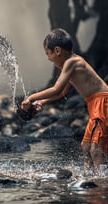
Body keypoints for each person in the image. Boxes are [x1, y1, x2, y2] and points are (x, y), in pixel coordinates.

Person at [21, 28, 108, 171]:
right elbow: (61, 94)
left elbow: (56, 89)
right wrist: (41, 102)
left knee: (95, 148)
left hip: (102, 103)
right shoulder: (71, 64)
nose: (48, 58)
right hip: (95, 103)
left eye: (47, 53)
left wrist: (30, 98)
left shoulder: (72, 62)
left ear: (57, 51)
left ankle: (102, 182)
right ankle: (89, 177)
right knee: (85, 146)